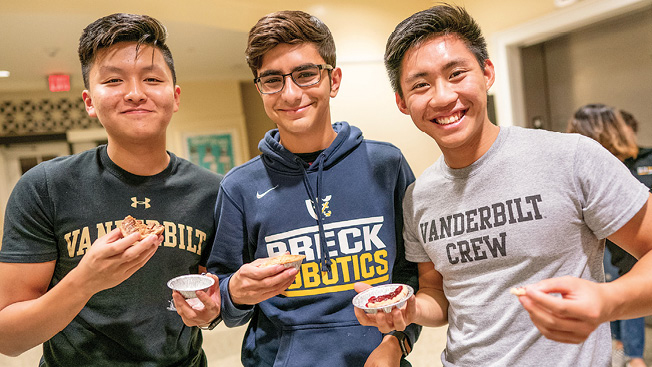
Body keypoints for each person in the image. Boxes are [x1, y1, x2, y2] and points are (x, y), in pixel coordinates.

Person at [354, 4, 652, 367]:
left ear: (487, 72)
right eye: (421, 84)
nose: (444, 96)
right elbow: (438, 294)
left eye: (456, 73)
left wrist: (608, 302)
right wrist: (412, 307)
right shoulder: (418, 197)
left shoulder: (570, 157)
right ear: (402, 102)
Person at [0, 13, 222, 366]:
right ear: (89, 101)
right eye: (114, 80)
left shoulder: (213, 192)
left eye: (151, 78)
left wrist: (209, 313)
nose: (135, 93)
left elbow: (216, 302)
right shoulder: (45, 187)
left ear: (175, 96)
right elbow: (9, 338)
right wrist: (85, 281)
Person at [204, 10, 420, 367]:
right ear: (260, 88)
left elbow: (412, 275)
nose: (290, 94)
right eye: (272, 80)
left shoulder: (387, 165)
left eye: (305, 74)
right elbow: (223, 302)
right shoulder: (239, 187)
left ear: (333, 80)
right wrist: (234, 292)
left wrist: (398, 344)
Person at [567, 104, 649, 367]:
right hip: (607, 248)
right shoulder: (583, 166)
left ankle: (633, 356)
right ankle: (622, 348)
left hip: (633, 245)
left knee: (626, 293)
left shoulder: (637, 161)